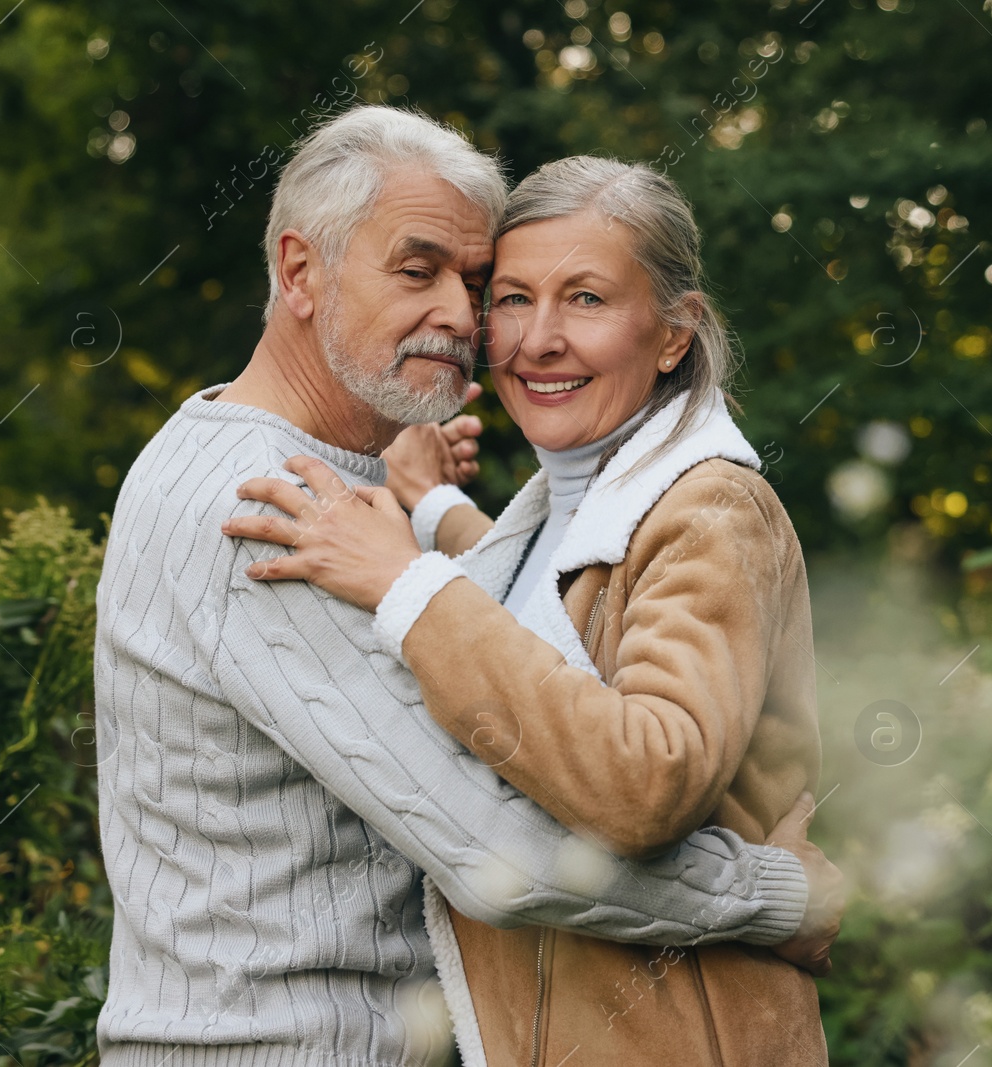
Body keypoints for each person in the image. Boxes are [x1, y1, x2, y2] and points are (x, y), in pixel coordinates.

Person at [95, 106, 841, 1067]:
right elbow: (503, 848)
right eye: (419, 271)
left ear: (673, 334)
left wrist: (423, 508)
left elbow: (498, 639)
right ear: (298, 272)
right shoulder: (271, 505)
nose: (464, 315)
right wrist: (779, 897)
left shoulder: (332, 491)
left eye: (472, 280)